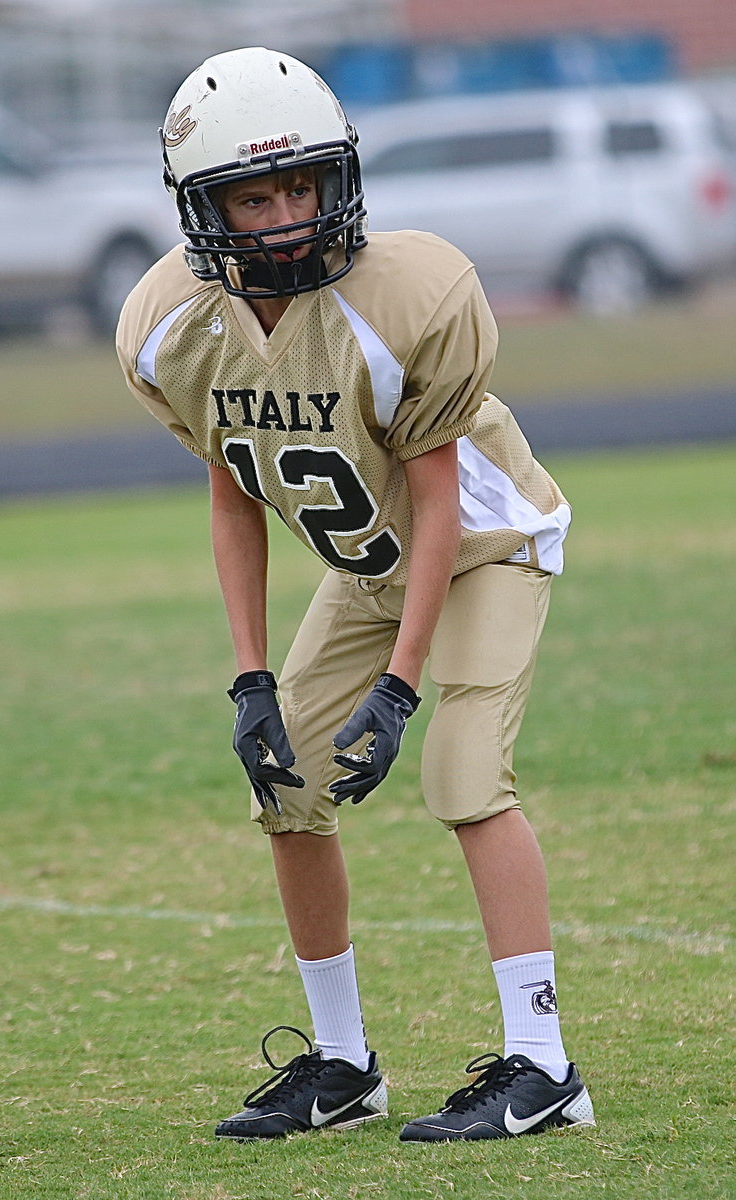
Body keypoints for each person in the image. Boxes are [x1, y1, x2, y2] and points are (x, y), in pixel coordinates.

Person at [116, 46, 595, 1143]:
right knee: (286, 783)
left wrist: (397, 686)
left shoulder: (406, 297)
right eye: (256, 194)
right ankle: (341, 1064)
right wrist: (249, 680)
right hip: (367, 564)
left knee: (462, 774)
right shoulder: (168, 327)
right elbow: (236, 492)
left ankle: (543, 1062)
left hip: (482, 548)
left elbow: (439, 505)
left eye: (302, 185)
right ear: (205, 207)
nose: (287, 216)